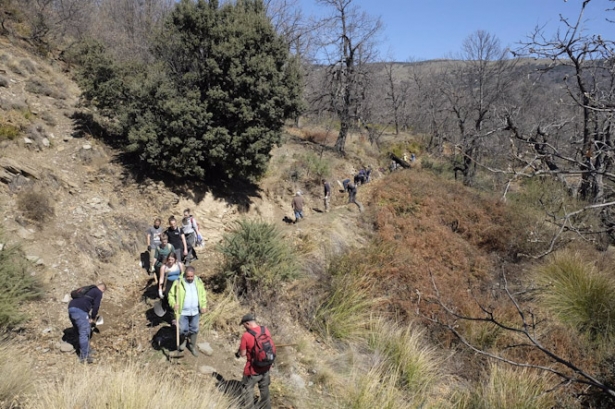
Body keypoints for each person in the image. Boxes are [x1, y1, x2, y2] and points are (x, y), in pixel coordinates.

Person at [167, 266, 207, 356]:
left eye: (191, 276)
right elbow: (170, 295)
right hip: (183, 312)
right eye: (188, 276)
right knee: (182, 329)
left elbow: (203, 294)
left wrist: (203, 305)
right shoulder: (178, 282)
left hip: (195, 311)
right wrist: (173, 304)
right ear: (185, 274)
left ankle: (192, 346)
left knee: (194, 329)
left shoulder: (198, 282)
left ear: (194, 275)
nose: (190, 278)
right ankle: (183, 342)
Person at [236, 314, 272, 409]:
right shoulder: (265, 330)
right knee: (264, 388)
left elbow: (243, 353)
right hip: (266, 366)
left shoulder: (246, 335)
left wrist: (239, 351)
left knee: (247, 388)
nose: (244, 327)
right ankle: (266, 407)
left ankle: (249, 407)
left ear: (247, 323)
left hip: (252, 369)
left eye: (244, 325)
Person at [68, 283, 106, 363]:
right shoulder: (98, 292)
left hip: (71, 309)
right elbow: (96, 306)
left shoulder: (88, 289)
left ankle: (87, 350)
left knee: (81, 331)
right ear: (103, 289)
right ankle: (84, 357)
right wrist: (93, 317)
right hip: (80, 311)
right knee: (84, 333)